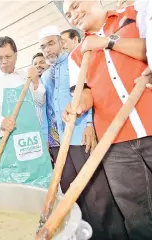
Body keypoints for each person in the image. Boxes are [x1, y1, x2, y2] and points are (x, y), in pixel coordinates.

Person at [63, 0, 152, 238]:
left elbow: (149, 51)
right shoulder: (76, 55)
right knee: (137, 215)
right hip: (115, 144)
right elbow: (86, 91)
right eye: (68, 14)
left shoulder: (135, 14)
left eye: (74, 5)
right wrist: (79, 104)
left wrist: (107, 42)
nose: (72, 15)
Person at [39, 25, 127, 240]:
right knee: (71, 193)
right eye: (43, 46)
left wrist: (88, 124)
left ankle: (112, 236)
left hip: (79, 135)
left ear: (61, 42)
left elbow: (88, 91)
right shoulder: (46, 76)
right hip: (59, 144)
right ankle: (85, 234)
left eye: (51, 43)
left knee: (96, 192)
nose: (47, 49)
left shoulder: (75, 61)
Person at [0, 36, 52, 187]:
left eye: (7, 56)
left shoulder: (26, 76)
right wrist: (1, 122)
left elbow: (40, 100)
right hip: (7, 142)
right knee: (12, 189)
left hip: (32, 143)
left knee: (39, 185)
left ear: (16, 55)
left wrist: (36, 81)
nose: (4, 61)